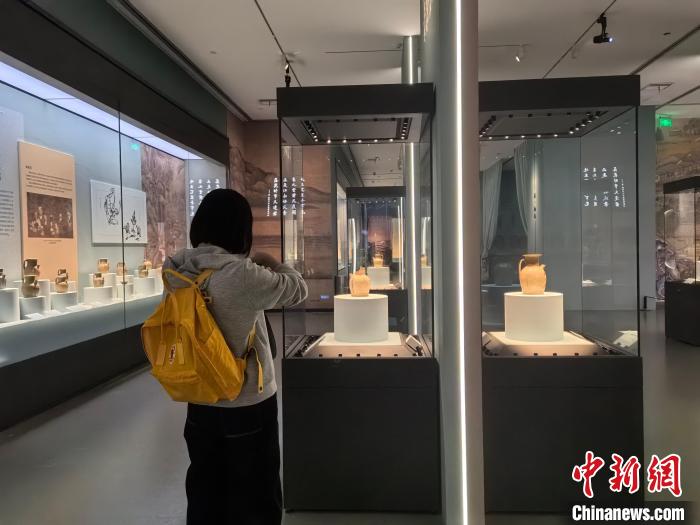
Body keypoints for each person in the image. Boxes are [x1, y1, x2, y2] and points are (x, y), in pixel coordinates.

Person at [163, 189, 307, 525]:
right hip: (246, 403)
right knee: (257, 494)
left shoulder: (176, 269)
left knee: (205, 490)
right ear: (241, 230)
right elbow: (298, 289)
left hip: (198, 396)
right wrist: (271, 262)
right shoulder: (242, 275)